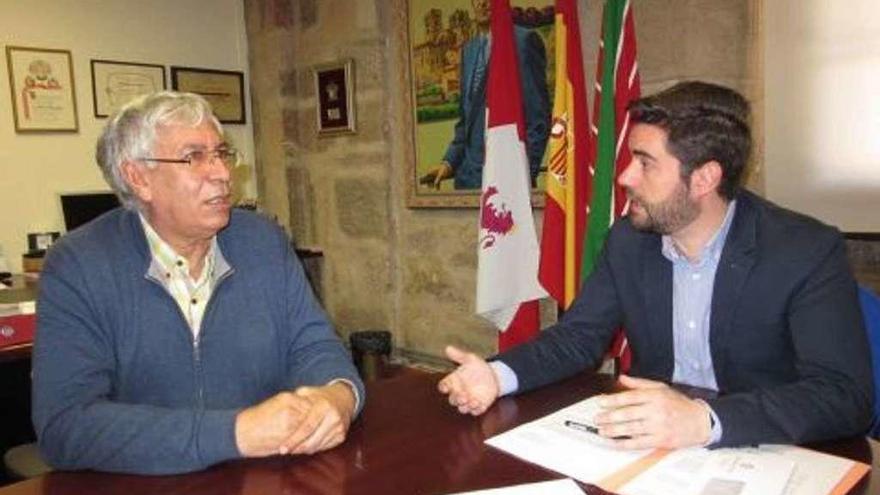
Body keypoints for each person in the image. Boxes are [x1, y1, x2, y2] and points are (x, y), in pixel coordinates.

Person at [438, 81, 874, 449]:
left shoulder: (804, 250)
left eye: (644, 163)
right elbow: (579, 338)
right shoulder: (630, 240)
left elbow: (845, 396)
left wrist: (704, 420)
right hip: (649, 454)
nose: (625, 177)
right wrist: (497, 376)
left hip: (761, 450)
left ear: (703, 179)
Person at [32, 92, 365, 475]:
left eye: (221, 153)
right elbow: (66, 427)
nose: (223, 174)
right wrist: (234, 432)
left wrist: (339, 395)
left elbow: (314, 345)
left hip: (263, 477)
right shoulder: (78, 264)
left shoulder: (262, 241)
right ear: (138, 178)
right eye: (194, 157)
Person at [422, 0, 550, 190]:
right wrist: (448, 162)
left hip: (507, 185)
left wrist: (522, 176)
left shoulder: (523, 42)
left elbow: (538, 121)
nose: (482, 3)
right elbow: (466, 122)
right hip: (467, 182)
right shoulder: (469, 50)